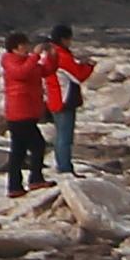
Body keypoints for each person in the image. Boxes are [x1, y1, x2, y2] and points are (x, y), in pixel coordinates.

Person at [0, 31, 45, 194]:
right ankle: (35, 179)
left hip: (27, 111)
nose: (27, 48)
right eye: (24, 45)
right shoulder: (10, 61)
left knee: (19, 150)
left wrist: (51, 57)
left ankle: (15, 186)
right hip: (20, 112)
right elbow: (21, 74)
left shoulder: (27, 62)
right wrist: (35, 57)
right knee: (37, 145)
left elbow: (43, 71)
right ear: (15, 48)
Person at [43, 24, 94, 172]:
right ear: (63, 39)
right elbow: (78, 76)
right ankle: (64, 167)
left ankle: (62, 165)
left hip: (54, 98)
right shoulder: (62, 56)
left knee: (61, 135)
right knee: (65, 137)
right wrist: (89, 66)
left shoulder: (50, 53)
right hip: (64, 100)